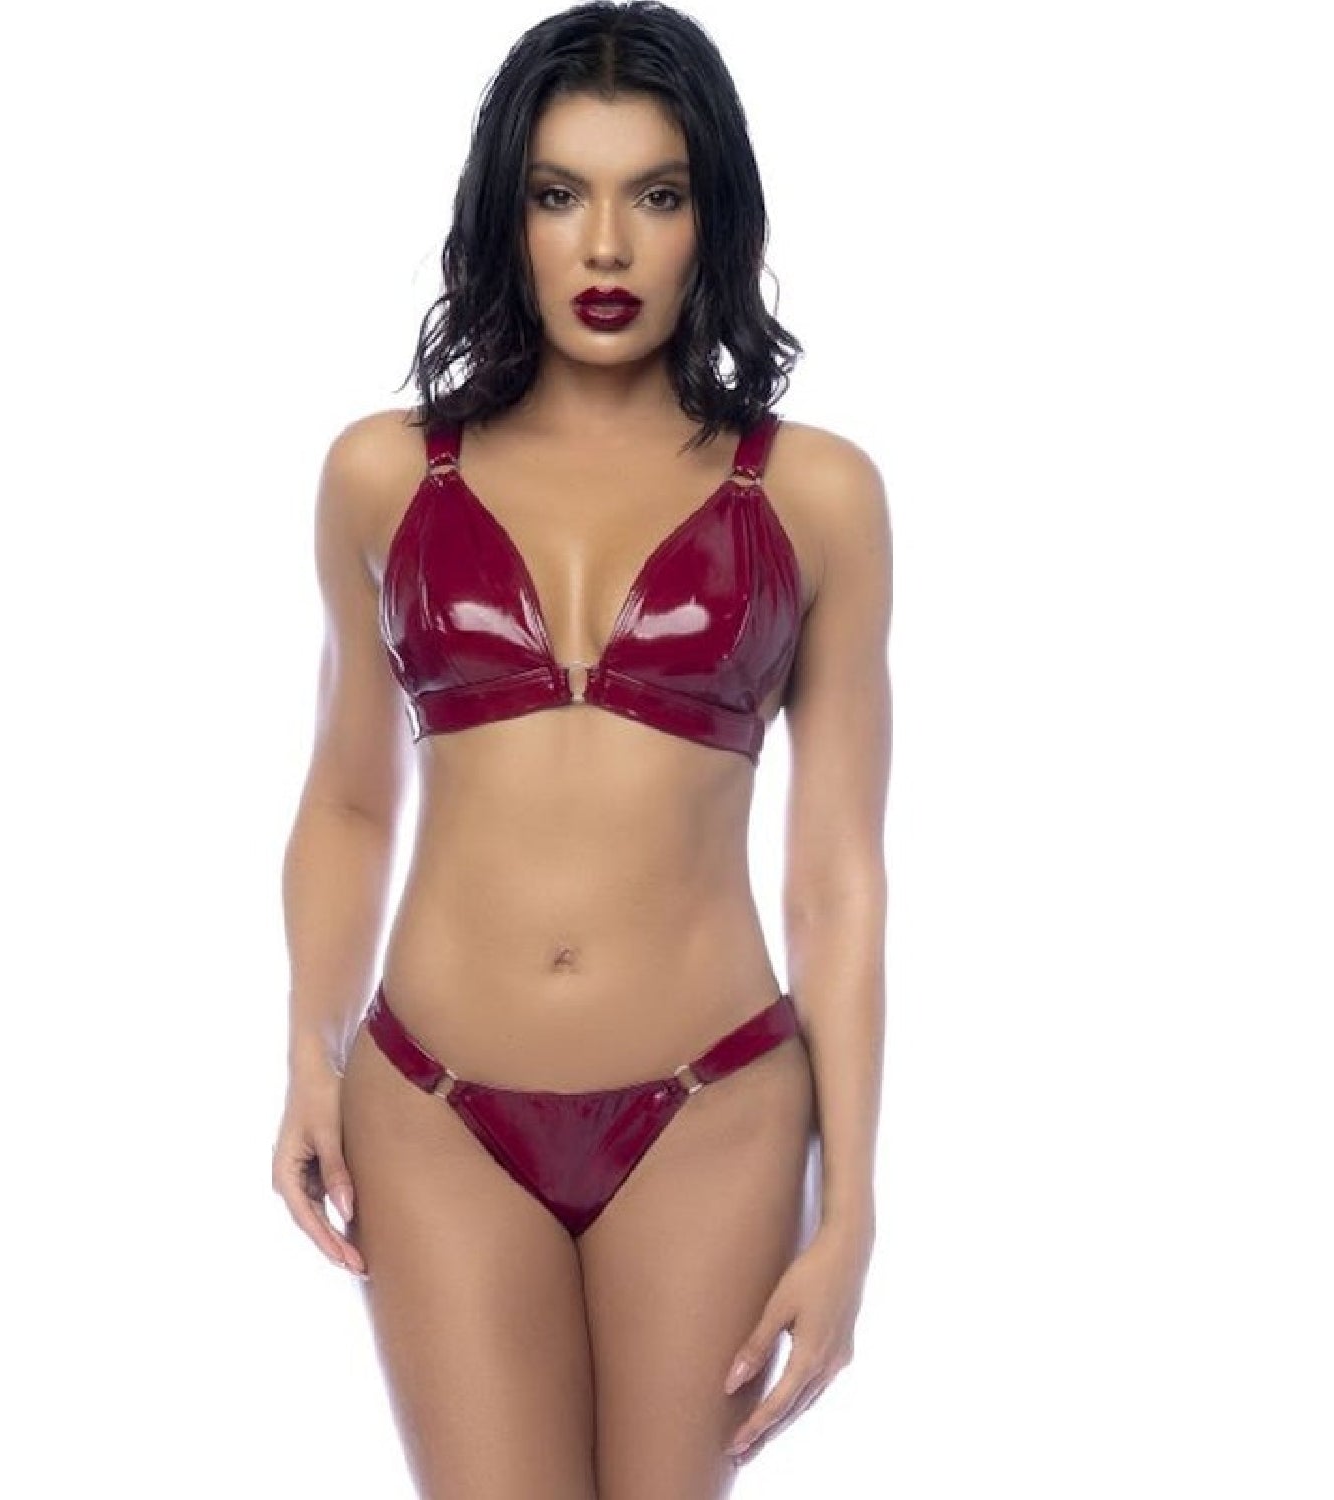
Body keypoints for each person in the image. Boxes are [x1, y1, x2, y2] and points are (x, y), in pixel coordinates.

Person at [271, 2, 891, 1493]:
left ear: (713, 218)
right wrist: (308, 1048)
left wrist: (853, 1209)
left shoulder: (817, 494)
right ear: (508, 214)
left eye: (655, 195)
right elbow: (349, 799)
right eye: (561, 194)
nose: (606, 245)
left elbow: (837, 875)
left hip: (713, 1110)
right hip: (432, 1110)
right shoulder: (380, 475)